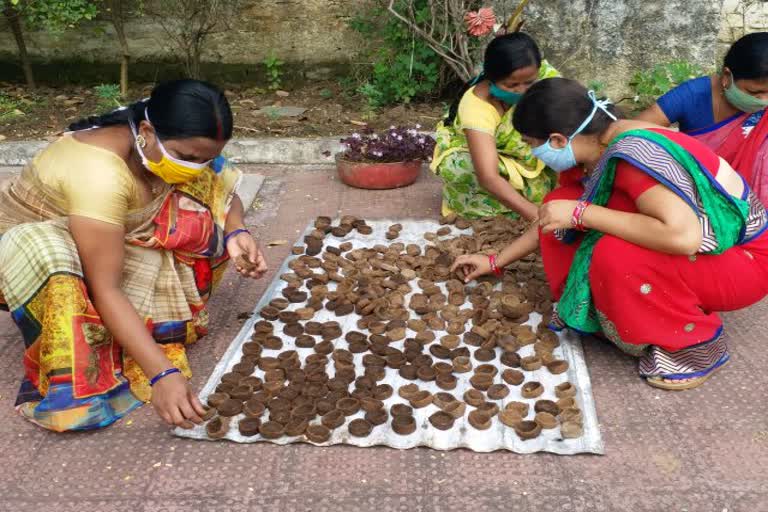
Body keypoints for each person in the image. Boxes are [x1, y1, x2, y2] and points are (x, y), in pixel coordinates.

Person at [452, 78, 768, 390]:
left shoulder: (633, 155)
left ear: (559, 140)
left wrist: (581, 214)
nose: (533, 152)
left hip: (745, 262)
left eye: (532, 144)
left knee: (612, 252)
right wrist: (495, 260)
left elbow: (684, 237)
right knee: (558, 207)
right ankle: (604, 309)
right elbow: (554, 217)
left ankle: (694, 347)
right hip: (705, 253)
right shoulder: (593, 145)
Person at [0, 79, 268, 431]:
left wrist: (236, 230)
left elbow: (222, 187)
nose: (195, 165)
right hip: (31, 257)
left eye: (207, 157)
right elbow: (105, 287)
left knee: (202, 218)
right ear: (146, 131)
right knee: (52, 259)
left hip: (105, 235)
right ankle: (81, 354)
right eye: (187, 157)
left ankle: (131, 331)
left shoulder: (166, 130)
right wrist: (162, 374)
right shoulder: (99, 174)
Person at [431, 32, 559, 221]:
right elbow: (488, 177)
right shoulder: (477, 107)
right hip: (489, 166)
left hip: (533, 162)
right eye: (512, 84)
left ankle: (530, 198)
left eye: (529, 82)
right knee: (461, 167)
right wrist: (536, 217)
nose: (523, 90)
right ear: (491, 79)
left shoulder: (546, 79)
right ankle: (513, 208)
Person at [637, 32, 768, 205]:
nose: (764, 101)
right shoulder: (693, 95)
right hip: (696, 198)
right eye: (754, 93)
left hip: (754, 206)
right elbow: (634, 132)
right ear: (727, 77)